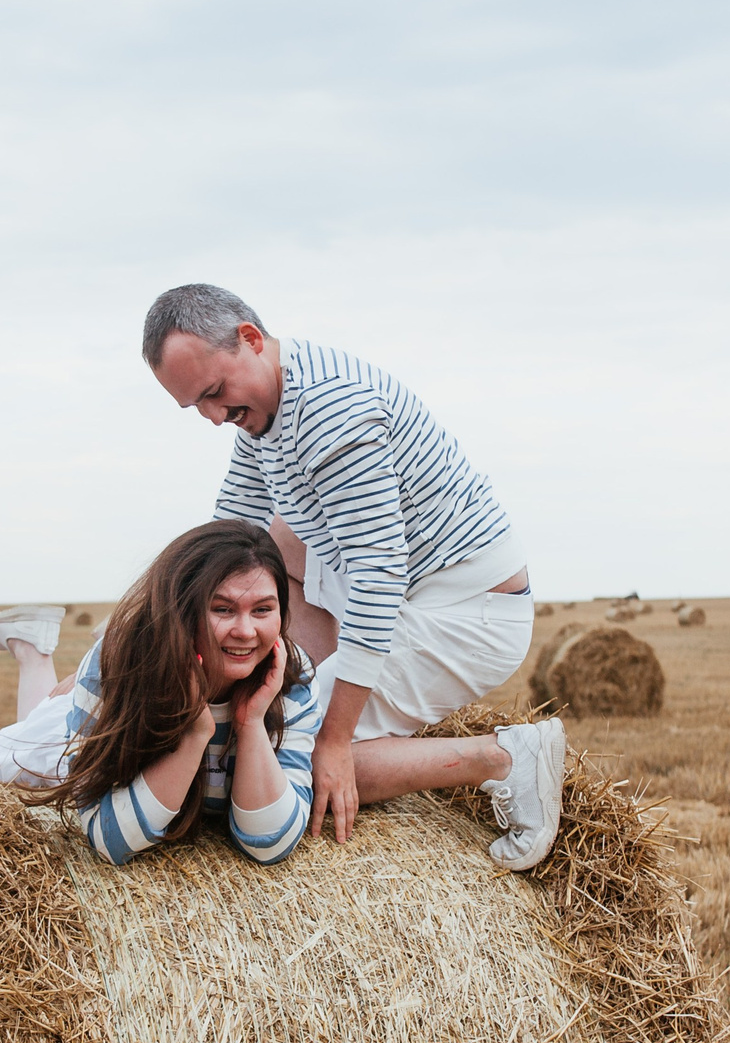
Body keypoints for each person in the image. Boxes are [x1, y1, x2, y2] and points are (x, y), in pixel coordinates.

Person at [141, 283, 567, 872]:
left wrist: (335, 739)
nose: (215, 417)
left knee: (284, 753)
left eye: (215, 393)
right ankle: (303, 688)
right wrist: (136, 648)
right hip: (405, 584)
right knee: (262, 545)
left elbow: (379, 575)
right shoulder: (264, 412)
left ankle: (507, 758)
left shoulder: (330, 411)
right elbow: (224, 540)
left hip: (464, 610)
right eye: (197, 407)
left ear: (251, 339)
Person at [0, 520, 321, 866]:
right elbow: (107, 839)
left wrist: (251, 722)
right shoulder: (114, 668)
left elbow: (270, 845)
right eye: (222, 609)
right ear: (182, 610)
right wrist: (196, 732)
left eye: (262, 609)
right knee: (4, 761)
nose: (245, 631)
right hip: (58, 742)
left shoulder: (291, 676)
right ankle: (31, 648)